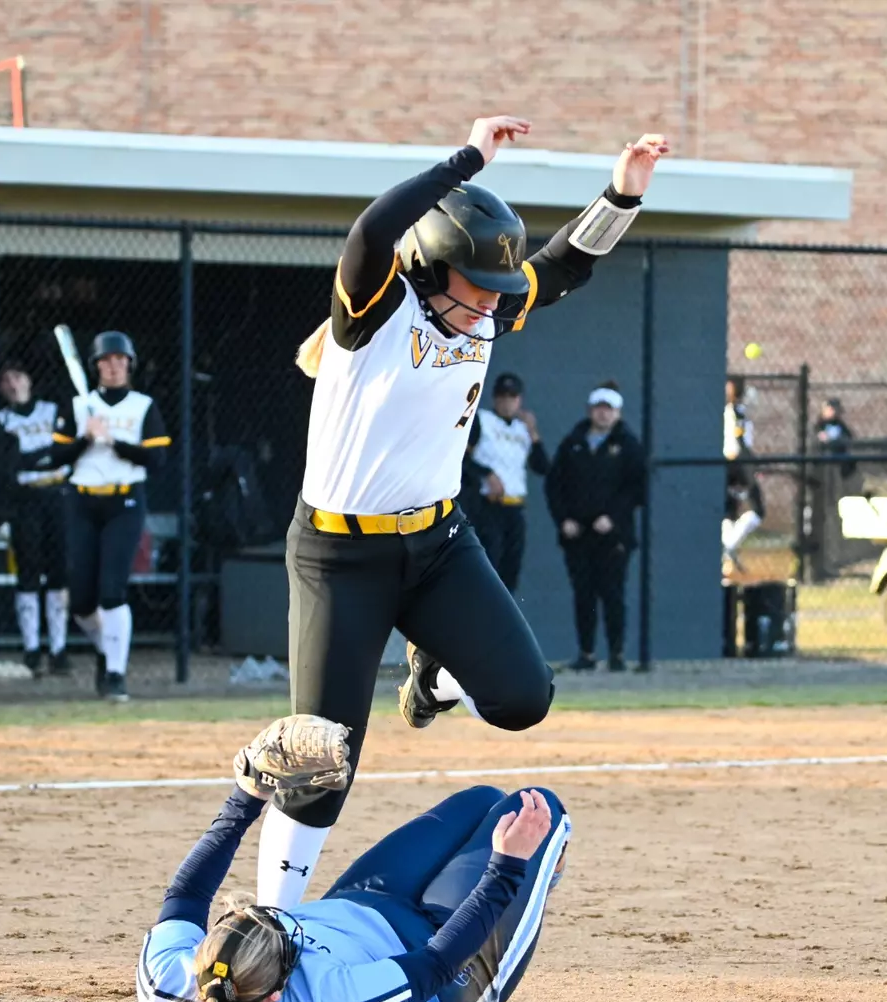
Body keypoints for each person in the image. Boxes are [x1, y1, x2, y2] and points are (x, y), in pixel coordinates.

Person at [267, 114, 666, 908]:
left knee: (523, 699)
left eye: (498, 293)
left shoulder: (481, 313)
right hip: (339, 558)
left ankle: (432, 672)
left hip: (438, 542)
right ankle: (273, 921)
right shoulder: (372, 311)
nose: (493, 305)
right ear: (429, 265)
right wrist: (470, 158)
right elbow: (372, 227)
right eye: (478, 286)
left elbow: (564, 266)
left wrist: (623, 191)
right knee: (322, 760)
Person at [138, 779, 569, 1002]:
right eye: (292, 945)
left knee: (483, 800)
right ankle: (533, 880)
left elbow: (187, 894)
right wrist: (508, 869)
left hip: (358, 908)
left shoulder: (170, 988)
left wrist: (248, 794)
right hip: (439, 977)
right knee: (535, 810)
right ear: (275, 996)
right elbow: (438, 962)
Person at [49, 331, 169, 703]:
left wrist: (113, 442)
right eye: (106, 361)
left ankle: (115, 673)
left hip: (125, 502)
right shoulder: (79, 406)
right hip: (82, 501)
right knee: (82, 599)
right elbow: (56, 457)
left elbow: (156, 458)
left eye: (120, 360)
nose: (113, 366)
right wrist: (86, 438)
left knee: (112, 591)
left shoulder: (142, 406)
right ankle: (107, 648)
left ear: (129, 365)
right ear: (96, 366)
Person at [545, 383, 648, 671]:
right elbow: (555, 485)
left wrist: (613, 518)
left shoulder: (628, 445)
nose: (603, 414)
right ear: (591, 410)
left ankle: (616, 654)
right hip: (578, 535)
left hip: (613, 537)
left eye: (609, 409)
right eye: (599, 408)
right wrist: (564, 519)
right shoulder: (573, 443)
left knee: (612, 592)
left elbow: (637, 488)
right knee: (583, 593)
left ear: (617, 413)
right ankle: (586, 653)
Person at [0, 361, 72, 675]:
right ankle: (31, 648)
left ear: (29, 380)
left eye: (18, 376)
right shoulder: (0, 420)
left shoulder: (51, 410)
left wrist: (34, 459)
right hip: (24, 501)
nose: (13, 384)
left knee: (60, 572)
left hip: (57, 495)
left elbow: (63, 451)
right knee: (28, 570)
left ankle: (58, 648)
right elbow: (9, 464)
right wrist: (39, 457)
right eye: (6, 380)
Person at [464, 372, 549, 591]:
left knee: (511, 570)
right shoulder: (482, 420)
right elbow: (461, 460)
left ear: (519, 400)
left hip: (515, 507)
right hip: (488, 506)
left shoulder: (523, 429)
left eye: (512, 396)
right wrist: (487, 473)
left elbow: (542, 466)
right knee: (489, 566)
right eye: (502, 396)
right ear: (494, 398)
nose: (507, 401)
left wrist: (534, 433)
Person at [721, 375, 765, 574]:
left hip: (733, 463)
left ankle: (726, 551)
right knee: (758, 510)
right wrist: (752, 467)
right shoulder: (733, 413)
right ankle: (727, 547)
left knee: (730, 511)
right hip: (736, 464)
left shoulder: (736, 411)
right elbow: (740, 443)